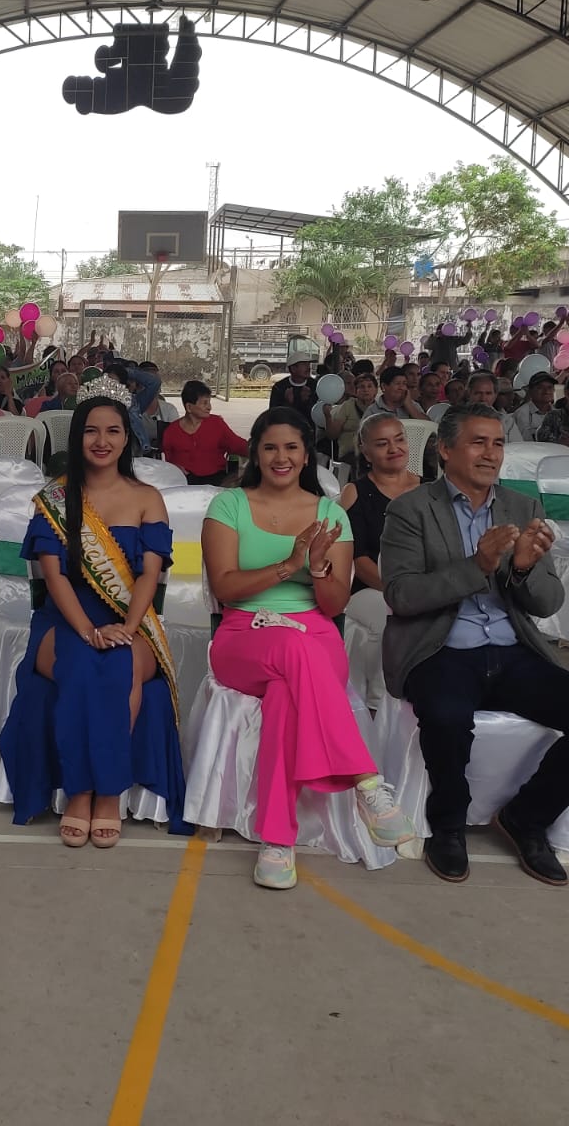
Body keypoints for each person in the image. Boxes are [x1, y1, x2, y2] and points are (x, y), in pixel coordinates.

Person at [379, 403, 569, 886]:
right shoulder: (411, 509)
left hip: (513, 652)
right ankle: (448, 824)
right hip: (440, 650)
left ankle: (527, 817)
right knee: (447, 717)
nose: (491, 454)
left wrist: (522, 568)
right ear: (445, 449)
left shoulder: (523, 507)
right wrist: (477, 566)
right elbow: (402, 595)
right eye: (478, 442)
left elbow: (548, 601)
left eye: (497, 443)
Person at [202, 407, 413, 889]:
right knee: (293, 652)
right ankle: (366, 782)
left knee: (285, 693)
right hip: (243, 633)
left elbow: (335, 604)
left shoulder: (330, 514)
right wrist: (290, 562)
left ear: (305, 455)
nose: (281, 457)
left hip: (315, 633)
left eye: (291, 448)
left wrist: (317, 568)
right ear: (256, 453)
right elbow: (226, 587)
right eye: (270, 447)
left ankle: (277, 842)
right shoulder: (229, 505)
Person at [0, 379, 188, 846]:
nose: (102, 441)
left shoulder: (148, 498)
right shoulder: (55, 498)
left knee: (118, 666)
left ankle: (107, 793)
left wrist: (127, 626)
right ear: (77, 436)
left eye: (113, 431)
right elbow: (55, 577)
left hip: (132, 618)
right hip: (64, 619)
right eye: (91, 431)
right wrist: (86, 630)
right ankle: (80, 791)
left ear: (128, 438)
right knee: (83, 667)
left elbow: (149, 574)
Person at [339, 414, 422, 592]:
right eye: (382, 444)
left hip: (428, 588)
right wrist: (400, 593)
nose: (394, 449)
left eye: (399, 439)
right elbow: (357, 559)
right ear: (366, 452)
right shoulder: (354, 492)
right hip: (375, 590)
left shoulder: (431, 489)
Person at [161, 380, 246, 484]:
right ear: (189, 407)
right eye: (205, 403)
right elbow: (168, 460)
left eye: (209, 402)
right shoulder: (171, 431)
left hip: (216, 480)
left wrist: (257, 448)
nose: (209, 407)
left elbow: (237, 445)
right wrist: (175, 467)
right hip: (184, 482)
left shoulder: (216, 423)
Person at [103, 360, 163, 454]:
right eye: (106, 382)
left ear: (122, 385)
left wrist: (126, 371)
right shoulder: (96, 405)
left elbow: (154, 382)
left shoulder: (134, 403)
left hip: (135, 453)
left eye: (114, 383)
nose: (110, 386)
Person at [323, 371, 381, 463]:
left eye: (369, 386)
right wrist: (328, 417)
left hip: (375, 454)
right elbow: (332, 435)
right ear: (355, 391)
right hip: (349, 455)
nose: (366, 390)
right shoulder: (347, 406)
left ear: (376, 390)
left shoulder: (380, 408)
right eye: (361, 387)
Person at [268, 347, 318, 416]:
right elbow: (273, 415)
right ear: (293, 368)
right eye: (304, 364)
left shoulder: (315, 386)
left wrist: (307, 401)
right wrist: (287, 403)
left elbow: (318, 415)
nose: (309, 367)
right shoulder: (279, 387)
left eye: (309, 364)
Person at [512, 372, 555, 441]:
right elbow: (525, 442)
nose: (546, 391)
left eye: (550, 387)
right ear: (530, 391)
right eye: (540, 387)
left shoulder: (557, 413)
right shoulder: (522, 414)